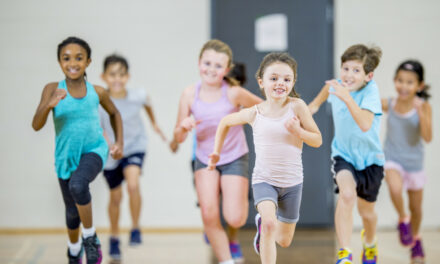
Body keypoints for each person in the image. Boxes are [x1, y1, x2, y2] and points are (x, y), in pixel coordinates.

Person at [208, 52, 322, 264]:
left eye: (287, 79)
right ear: (261, 82)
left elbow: (317, 140)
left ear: (293, 82)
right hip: (264, 180)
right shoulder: (255, 113)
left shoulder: (297, 107)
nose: (280, 83)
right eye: (274, 78)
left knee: (284, 240)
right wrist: (217, 151)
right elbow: (224, 122)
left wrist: (299, 132)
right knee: (270, 224)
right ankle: (265, 223)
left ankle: (262, 227)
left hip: (292, 183)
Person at [32, 36, 123, 264]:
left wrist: (118, 142)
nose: (73, 62)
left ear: (88, 62)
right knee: (72, 214)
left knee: (78, 185)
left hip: (94, 150)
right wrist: (48, 104)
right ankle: (74, 250)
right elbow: (36, 124)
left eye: (79, 58)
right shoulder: (52, 89)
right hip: (65, 158)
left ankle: (90, 239)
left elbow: (114, 114)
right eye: (66, 58)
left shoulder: (98, 91)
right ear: (59, 62)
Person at [173, 39, 262, 264]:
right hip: (205, 159)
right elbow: (178, 136)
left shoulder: (234, 93)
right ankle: (226, 260)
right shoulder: (189, 94)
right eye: (207, 63)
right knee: (209, 215)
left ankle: (245, 225)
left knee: (235, 217)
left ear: (227, 69)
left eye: (218, 65)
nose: (211, 69)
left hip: (234, 156)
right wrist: (182, 128)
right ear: (199, 63)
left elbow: (263, 109)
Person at [308, 44, 384, 264]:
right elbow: (325, 92)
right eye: (345, 68)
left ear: (368, 76)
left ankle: (369, 242)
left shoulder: (371, 92)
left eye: (356, 70)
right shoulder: (336, 86)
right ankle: (344, 253)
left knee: (367, 213)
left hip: (371, 161)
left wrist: (346, 97)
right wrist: (311, 107)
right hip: (343, 156)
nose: (348, 75)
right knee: (347, 195)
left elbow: (364, 124)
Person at [99, 54, 167, 260]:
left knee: (133, 184)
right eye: (112, 75)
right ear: (104, 77)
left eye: (121, 74)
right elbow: (99, 127)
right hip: (111, 151)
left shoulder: (137, 95)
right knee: (116, 197)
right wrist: (110, 146)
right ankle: (113, 237)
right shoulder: (100, 99)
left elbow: (147, 104)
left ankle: (136, 227)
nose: (117, 79)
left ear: (127, 76)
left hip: (135, 146)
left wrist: (154, 123)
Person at [382, 60, 432, 263]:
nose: (404, 86)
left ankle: (416, 239)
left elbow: (428, 137)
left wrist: (421, 114)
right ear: (395, 81)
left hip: (414, 164)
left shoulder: (424, 106)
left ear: (419, 86)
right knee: (394, 189)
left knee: (417, 209)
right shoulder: (389, 103)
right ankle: (403, 219)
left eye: (410, 82)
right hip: (392, 159)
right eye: (400, 80)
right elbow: (364, 104)